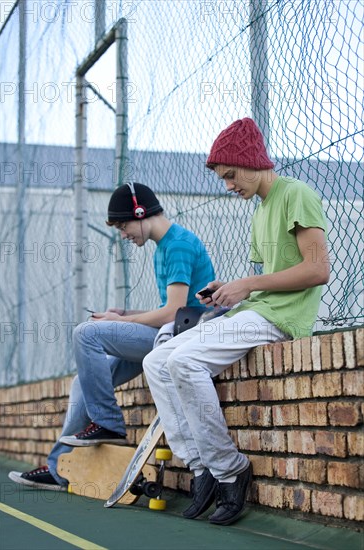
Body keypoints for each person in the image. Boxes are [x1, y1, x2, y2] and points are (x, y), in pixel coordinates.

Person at [143, 118, 330, 526]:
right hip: (255, 309)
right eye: (223, 178)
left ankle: (229, 469)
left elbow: (317, 270)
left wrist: (245, 285)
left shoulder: (295, 194)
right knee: (155, 361)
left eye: (231, 175)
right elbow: (270, 277)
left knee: (183, 362)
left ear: (253, 162)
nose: (228, 185)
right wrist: (229, 288)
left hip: (281, 316)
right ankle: (200, 468)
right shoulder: (260, 210)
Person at [9, 183, 215, 491]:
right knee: (82, 381)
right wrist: (126, 312)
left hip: (181, 337)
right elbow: (171, 308)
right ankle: (58, 468)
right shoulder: (165, 247)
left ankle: (108, 423)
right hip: (167, 333)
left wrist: (123, 319)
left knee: (86, 333)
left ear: (141, 212)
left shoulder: (179, 245)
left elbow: (174, 313)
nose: (123, 235)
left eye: (123, 226)